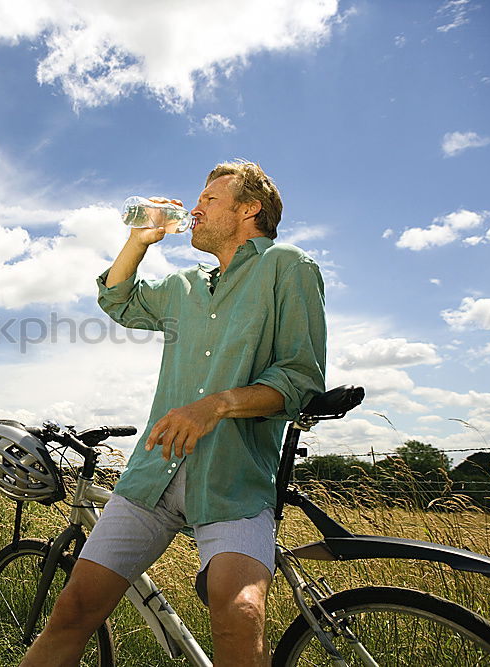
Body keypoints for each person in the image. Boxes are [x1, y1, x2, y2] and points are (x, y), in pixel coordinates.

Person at [19, 160, 327, 667]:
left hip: (233, 481)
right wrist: (140, 240)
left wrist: (217, 405)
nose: (195, 207)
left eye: (209, 198)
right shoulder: (184, 285)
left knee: (241, 614)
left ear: (249, 209)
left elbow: (299, 378)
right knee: (73, 609)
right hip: (152, 478)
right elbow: (116, 299)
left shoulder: (288, 267)